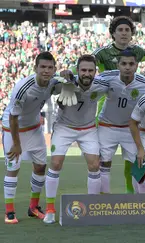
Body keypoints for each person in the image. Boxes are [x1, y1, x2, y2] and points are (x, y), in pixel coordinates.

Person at [43, 55, 109, 224]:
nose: (87, 74)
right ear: (77, 71)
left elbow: (120, 82)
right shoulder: (66, 82)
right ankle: (50, 209)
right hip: (65, 127)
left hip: (87, 129)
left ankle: (92, 207)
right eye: (83, 70)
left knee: (95, 165)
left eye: (90, 70)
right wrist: (63, 78)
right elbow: (52, 84)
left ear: (96, 72)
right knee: (56, 164)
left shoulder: (102, 85)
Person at [91, 16, 145, 194]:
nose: (124, 33)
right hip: (106, 119)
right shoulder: (103, 61)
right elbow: (85, 69)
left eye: (127, 30)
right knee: (103, 162)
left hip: (130, 124)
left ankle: (133, 197)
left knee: (135, 162)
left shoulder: (139, 56)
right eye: (120, 30)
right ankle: (103, 200)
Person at [2, 52, 60, 224]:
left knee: (41, 166)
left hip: (34, 128)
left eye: (50, 67)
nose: (46, 71)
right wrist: (17, 144)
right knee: (14, 167)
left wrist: (68, 75)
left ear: (54, 69)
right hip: (13, 128)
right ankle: (9, 211)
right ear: (35, 68)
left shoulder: (53, 83)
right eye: (42, 67)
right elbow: (13, 117)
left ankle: (33, 207)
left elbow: (68, 82)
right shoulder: (23, 88)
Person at [97, 50, 145, 194]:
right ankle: (102, 202)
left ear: (136, 66)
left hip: (130, 129)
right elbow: (84, 80)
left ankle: (141, 203)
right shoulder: (106, 77)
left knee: (139, 165)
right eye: (123, 63)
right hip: (107, 126)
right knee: (103, 164)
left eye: (131, 64)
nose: (127, 67)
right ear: (117, 65)